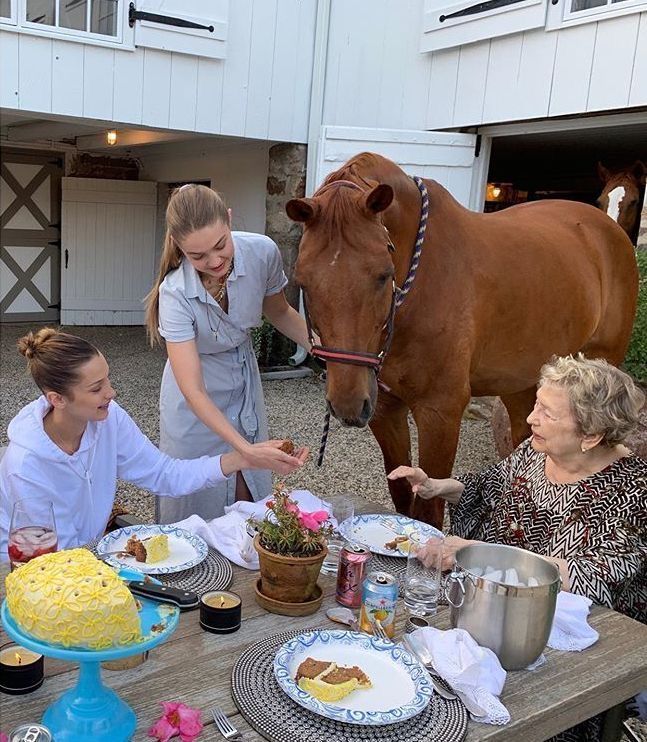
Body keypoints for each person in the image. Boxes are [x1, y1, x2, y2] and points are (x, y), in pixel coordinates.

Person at [389, 354, 646, 742]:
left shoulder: (633, 491)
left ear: (591, 436)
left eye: (547, 412)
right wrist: (439, 486)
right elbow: (489, 487)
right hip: (494, 615)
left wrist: (475, 552)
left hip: (571, 648)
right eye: (537, 404)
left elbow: (595, 577)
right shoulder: (537, 450)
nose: (530, 419)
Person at [0, 329, 307, 557]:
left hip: (87, 557)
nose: (111, 393)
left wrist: (244, 458)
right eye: (97, 388)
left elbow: (164, 475)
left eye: (107, 380)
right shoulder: (26, 464)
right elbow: (54, 554)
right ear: (57, 399)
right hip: (29, 573)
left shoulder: (109, 419)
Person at [145, 184, 313, 523]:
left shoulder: (262, 252)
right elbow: (192, 390)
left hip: (241, 374)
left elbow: (279, 312)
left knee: (245, 489)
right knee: (193, 496)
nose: (215, 261)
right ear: (179, 247)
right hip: (193, 397)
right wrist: (246, 450)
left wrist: (329, 352)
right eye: (198, 256)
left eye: (220, 245)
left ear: (230, 220)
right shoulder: (174, 293)